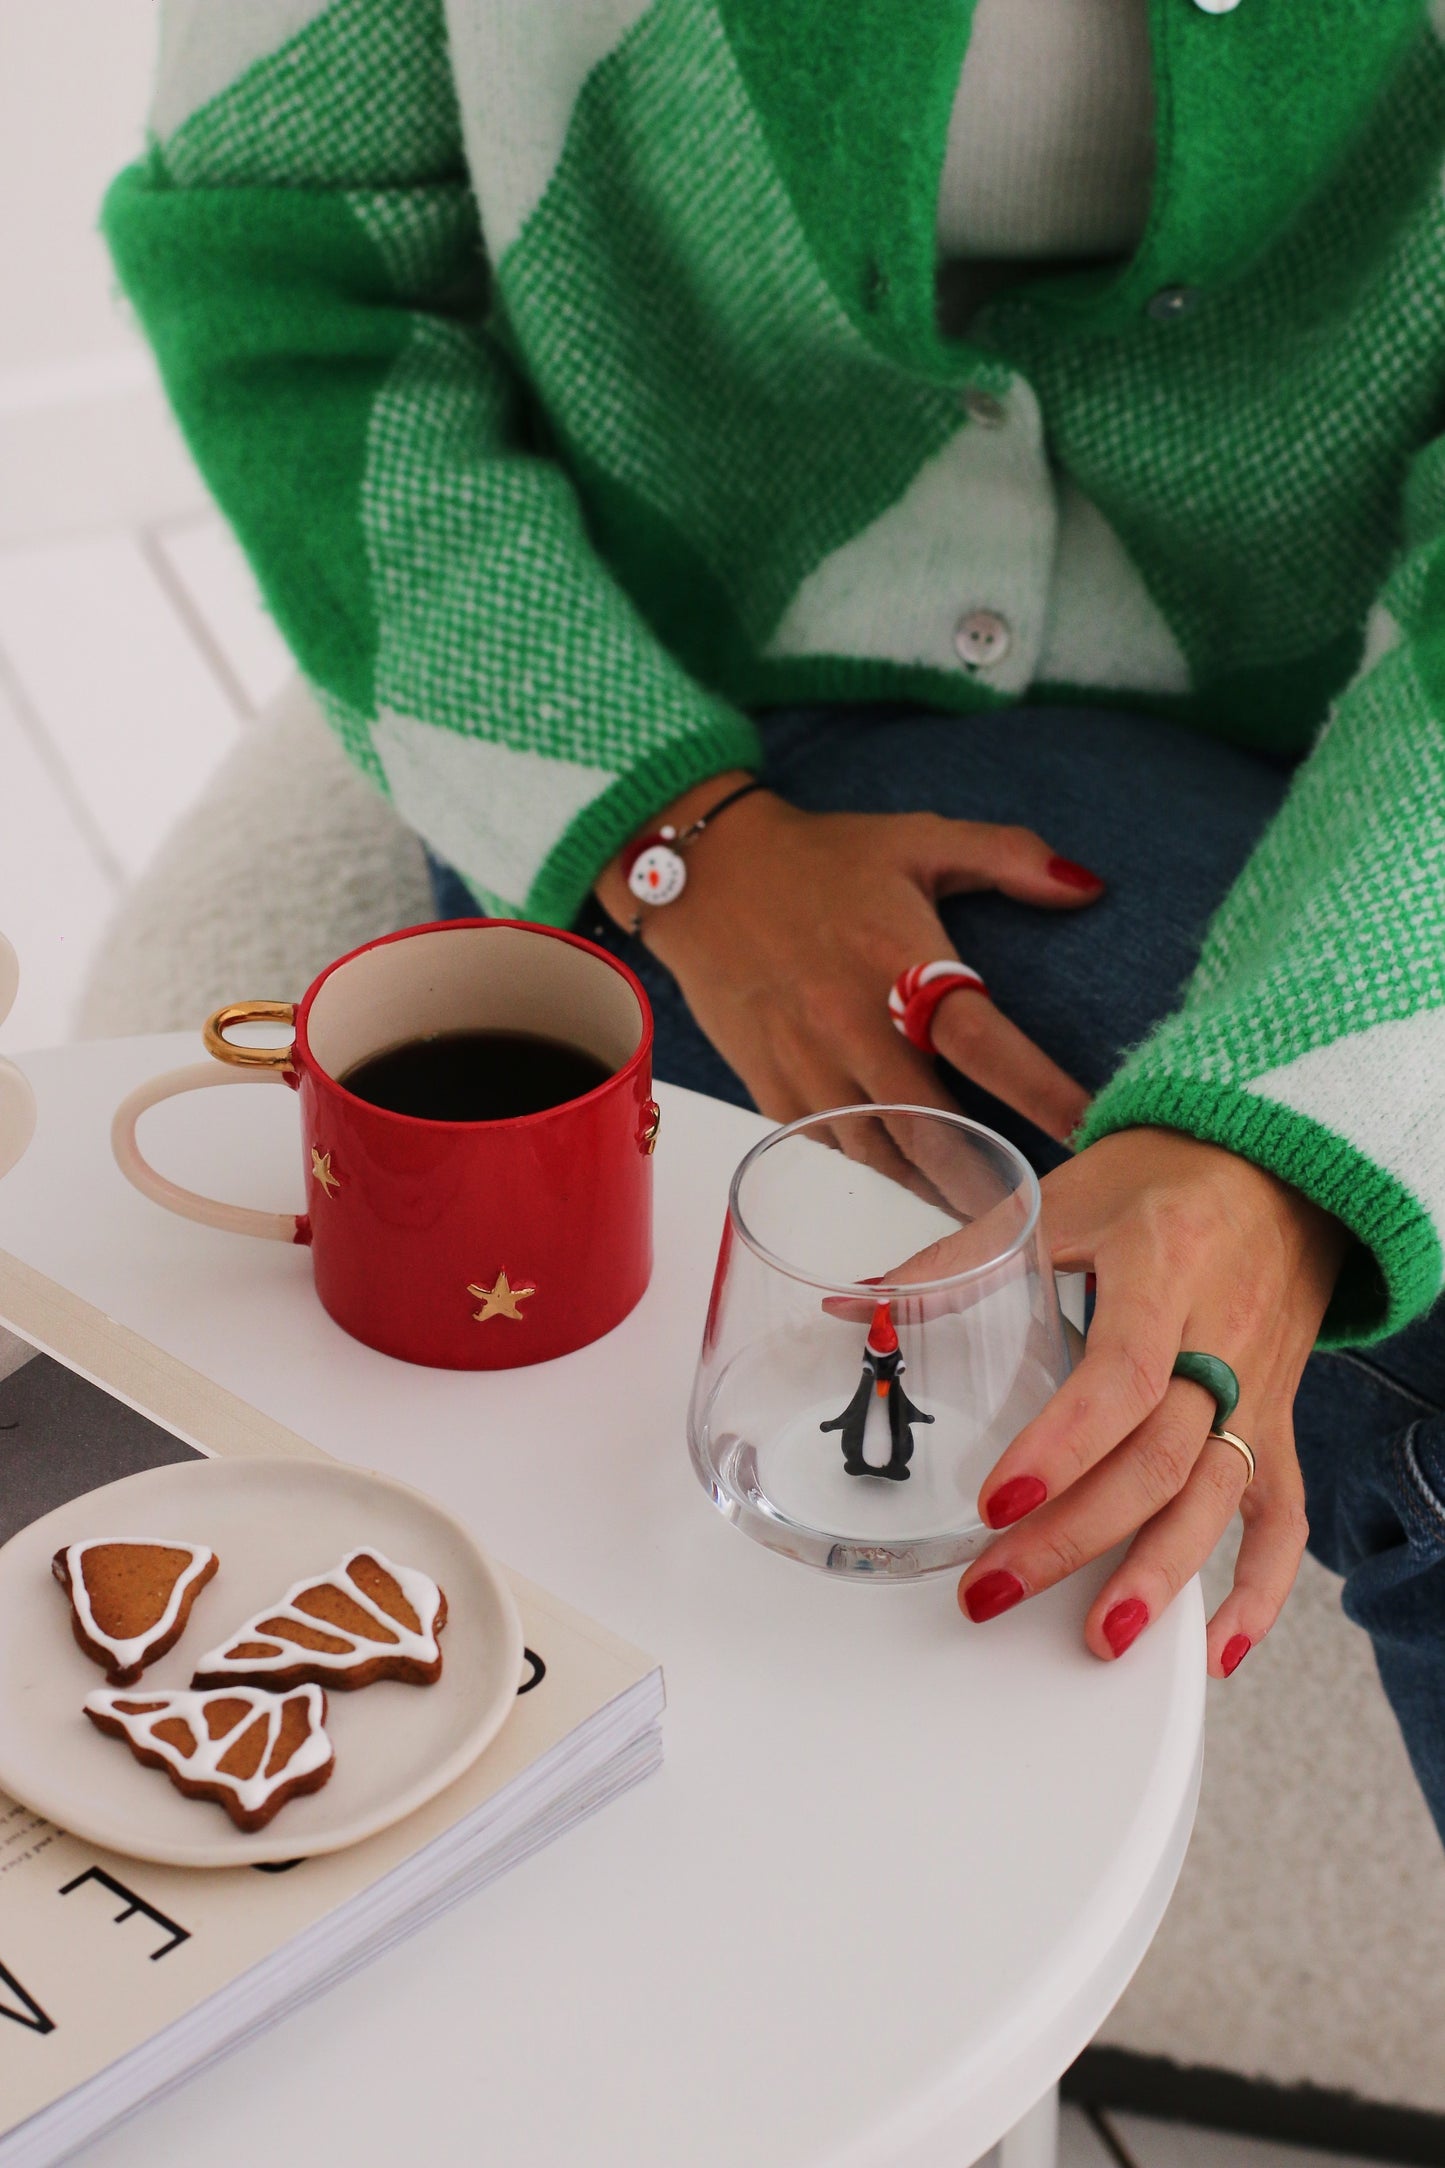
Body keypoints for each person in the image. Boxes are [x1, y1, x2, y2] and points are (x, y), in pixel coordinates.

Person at [104, 0, 1445, 1838]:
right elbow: (281, 275)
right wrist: (674, 840)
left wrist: (1299, 1137)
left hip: (1353, 714)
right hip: (668, 679)